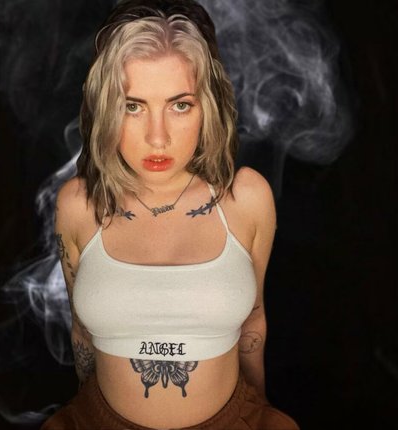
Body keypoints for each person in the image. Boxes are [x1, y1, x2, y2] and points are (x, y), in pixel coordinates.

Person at [42, 0, 299, 428]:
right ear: (107, 109)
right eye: (133, 106)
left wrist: (258, 416)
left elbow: (253, 321)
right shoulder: (79, 204)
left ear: (206, 107)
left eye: (179, 105)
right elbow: (82, 335)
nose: (157, 137)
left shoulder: (246, 198)